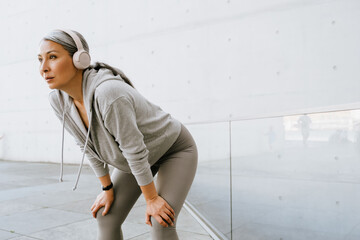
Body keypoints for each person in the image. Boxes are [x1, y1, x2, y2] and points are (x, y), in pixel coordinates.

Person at [37, 29, 198, 240]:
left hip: (173, 148)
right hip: (136, 157)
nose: (43, 68)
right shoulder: (58, 100)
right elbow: (85, 144)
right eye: (40, 60)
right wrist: (107, 188)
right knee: (106, 216)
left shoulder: (108, 93)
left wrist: (152, 199)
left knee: (161, 221)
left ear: (79, 59)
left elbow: (134, 149)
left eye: (53, 57)